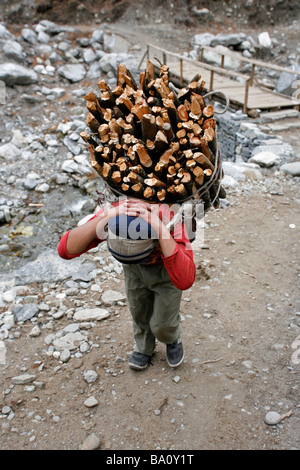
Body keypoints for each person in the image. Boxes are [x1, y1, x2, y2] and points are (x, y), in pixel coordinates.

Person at [57, 197, 196, 371]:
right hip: (133, 270)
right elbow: (65, 249)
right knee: (138, 309)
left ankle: (171, 338)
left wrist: (160, 230)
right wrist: (107, 216)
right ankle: (144, 346)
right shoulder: (117, 213)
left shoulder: (168, 217)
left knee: (163, 322)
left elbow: (186, 279)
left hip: (167, 268)